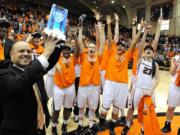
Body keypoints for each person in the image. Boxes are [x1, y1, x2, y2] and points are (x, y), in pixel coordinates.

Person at [0, 35, 62, 135]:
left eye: (29, 51)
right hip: (19, 132)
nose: (26, 54)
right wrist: (45, 53)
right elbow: (21, 81)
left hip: (38, 128)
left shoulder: (34, 71)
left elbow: (49, 63)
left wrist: (58, 47)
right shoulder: (3, 74)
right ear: (11, 55)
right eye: (21, 51)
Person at [98, 19, 143, 135]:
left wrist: (141, 29)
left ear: (124, 49)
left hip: (122, 85)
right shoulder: (111, 52)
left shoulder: (127, 55)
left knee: (116, 109)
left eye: (122, 46)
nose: (120, 47)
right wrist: (108, 25)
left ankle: (112, 127)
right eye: (118, 45)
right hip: (110, 82)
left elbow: (134, 43)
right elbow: (110, 38)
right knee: (104, 110)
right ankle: (101, 123)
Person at [76, 17, 104, 134]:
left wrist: (100, 26)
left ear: (95, 49)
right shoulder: (83, 56)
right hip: (83, 85)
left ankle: (92, 124)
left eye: (93, 47)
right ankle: (80, 123)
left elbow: (102, 43)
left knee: (92, 107)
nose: (92, 48)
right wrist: (80, 28)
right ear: (87, 49)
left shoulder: (99, 57)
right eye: (90, 47)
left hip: (95, 85)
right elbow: (79, 44)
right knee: (81, 106)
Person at [161, 53, 180, 134]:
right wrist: (175, 65)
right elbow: (172, 72)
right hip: (175, 86)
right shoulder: (176, 58)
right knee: (170, 108)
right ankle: (167, 125)